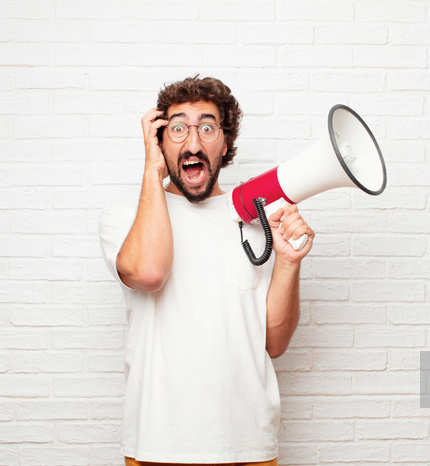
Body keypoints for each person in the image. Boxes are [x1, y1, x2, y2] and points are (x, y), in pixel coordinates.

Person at [99, 76, 314, 466]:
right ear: (160, 142)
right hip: (157, 445)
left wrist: (287, 261)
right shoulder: (125, 219)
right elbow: (149, 272)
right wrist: (152, 169)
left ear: (225, 144)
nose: (193, 143)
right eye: (177, 129)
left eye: (208, 128)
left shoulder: (256, 225)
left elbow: (275, 343)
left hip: (248, 444)